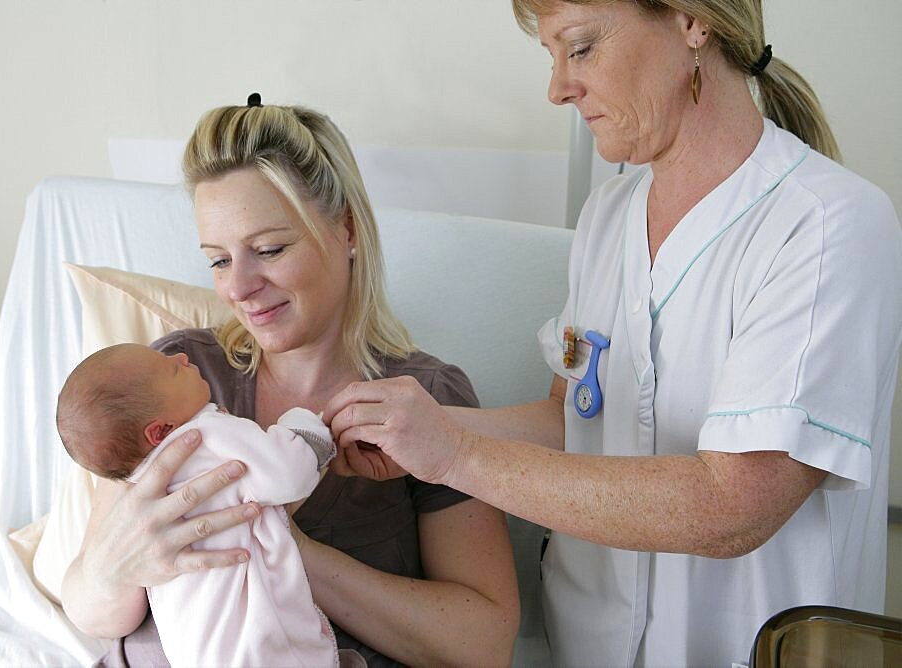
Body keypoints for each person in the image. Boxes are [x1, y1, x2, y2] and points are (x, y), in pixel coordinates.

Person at [325, 1, 902, 666]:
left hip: (738, 648)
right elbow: (570, 417)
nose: (557, 88)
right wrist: (411, 432)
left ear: (692, 22)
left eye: (580, 48)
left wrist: (454, 455)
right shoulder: (609, 215)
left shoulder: (827, 224)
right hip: (587, 643)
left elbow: (734, 506)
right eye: (551, 57)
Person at [60, 98, 521, 668]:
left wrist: (283, 549)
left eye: (270, 250)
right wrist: (115, 565)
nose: (240, 288)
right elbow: (91, 610)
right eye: (219, 260)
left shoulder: (425, 400)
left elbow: (484, 645)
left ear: (346, 229)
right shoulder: (174, 374)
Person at [56, 342, 347, 668]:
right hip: (252, 647)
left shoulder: (140, 478)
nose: (182, 357)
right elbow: (289, 472)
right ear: (160, 430)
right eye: (172, 369)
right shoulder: (204, 434)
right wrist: (307, 426)